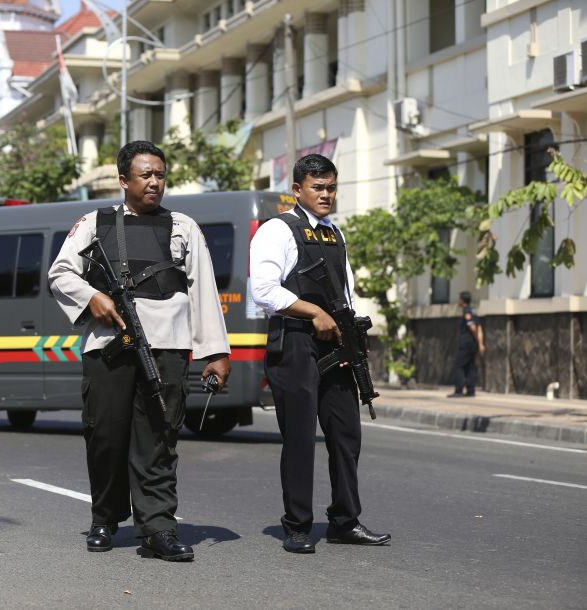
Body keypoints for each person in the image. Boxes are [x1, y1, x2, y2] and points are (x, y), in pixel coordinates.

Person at [48, 140, 231, 562]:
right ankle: (105, 518)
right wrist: (93, 297)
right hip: (109, 347)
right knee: (105, 435)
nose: (154, 182)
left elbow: (204, 290)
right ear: (123, 180)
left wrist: (215, 353)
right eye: (146, 175)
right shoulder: (95, 223)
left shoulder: (184, 226)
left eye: (160, 175)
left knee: (159, 438)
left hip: (166, 349)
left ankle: (158, 528)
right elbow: (60, 273)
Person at [250, 153, 390, 554]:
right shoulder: (278, 230)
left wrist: (353, 333)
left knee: (346, 434)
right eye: (318, 188)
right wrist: (314, 313)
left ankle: (345, 520)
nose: (326, 195)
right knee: (299, 438)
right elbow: (263, 290)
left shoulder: (334, 234)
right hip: (295, 342)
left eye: (331, 187)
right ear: (297, 190)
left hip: (335, 345)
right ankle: (297, 526)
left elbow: (345, 294)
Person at [448, 291, 485, 398]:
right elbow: (480, 328)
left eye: (459, 299)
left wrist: (475, 339)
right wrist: (480, 343)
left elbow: (473, 327)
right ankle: (470, 390)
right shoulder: (474, 311)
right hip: (472, 343)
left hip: (466, 343)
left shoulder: (467, 311)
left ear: (462, 300)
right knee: (470, 366)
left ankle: (458, 390)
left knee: (459, 366)